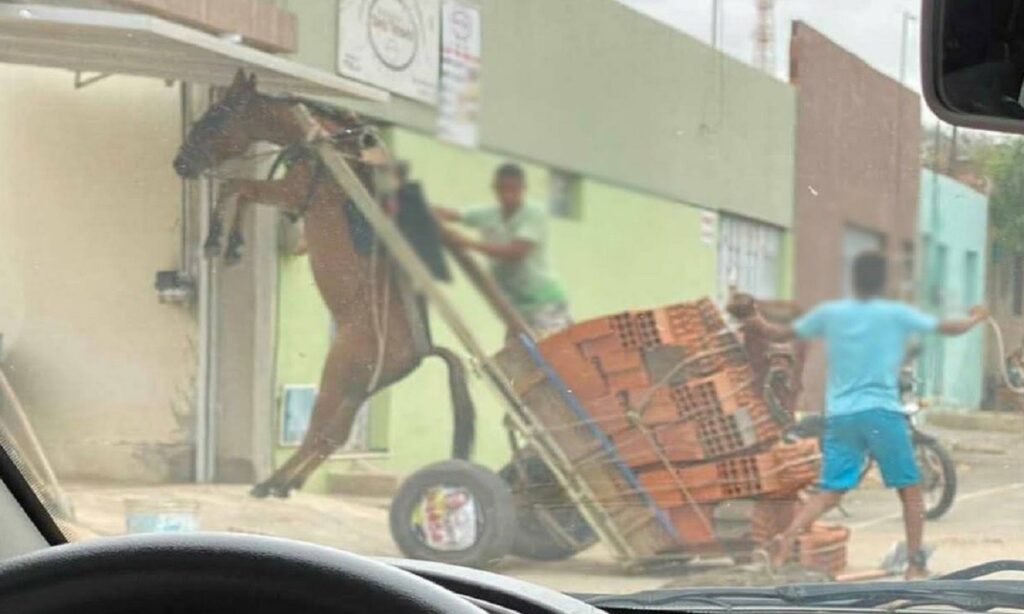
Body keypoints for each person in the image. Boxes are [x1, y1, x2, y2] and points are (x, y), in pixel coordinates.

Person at [736, 250, 988, 580]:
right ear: (883, 282)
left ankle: (786, 539)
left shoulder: (831, 313)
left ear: (853, 281)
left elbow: (778, 334)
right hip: (881, 413)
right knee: (910, 492)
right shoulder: (895, 313)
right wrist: (974, 318)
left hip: (841, 415)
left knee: (829, 491)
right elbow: (947, 327)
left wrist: (752, 319)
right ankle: (914, 565)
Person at [435, 163, 571, 337]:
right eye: (502, 189)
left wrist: (469, 243)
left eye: (513, 190)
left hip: (545, 302)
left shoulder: (533, 214)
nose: (507, 195)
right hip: (515, 307)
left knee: (554, 353)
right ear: (495, 189)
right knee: (517, 356)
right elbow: (451, 214)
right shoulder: (489, 214)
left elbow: (516, 252)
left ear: (523, 189)